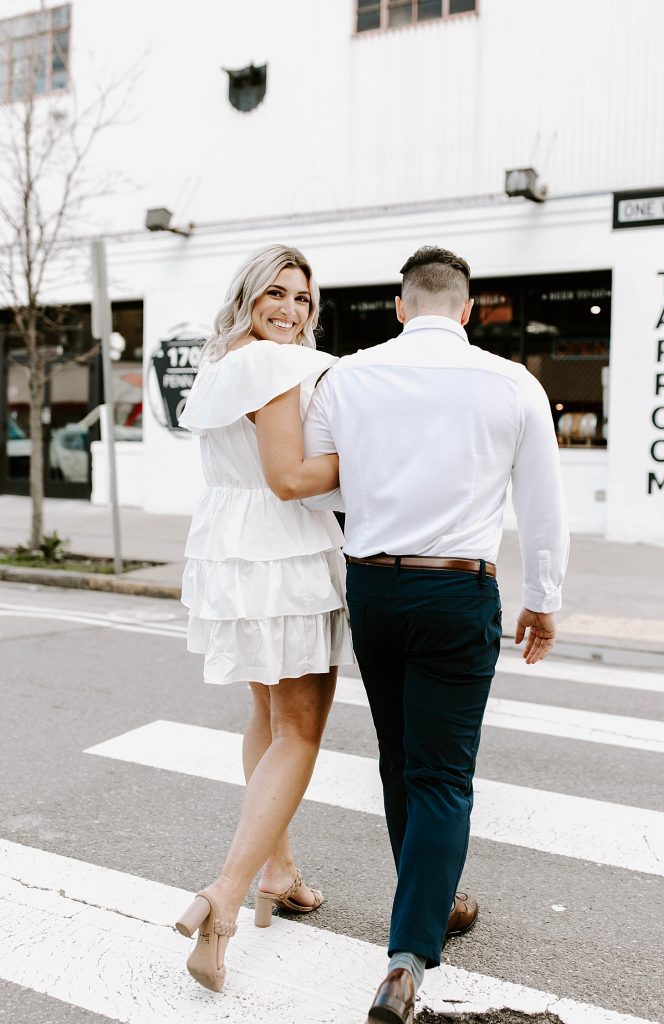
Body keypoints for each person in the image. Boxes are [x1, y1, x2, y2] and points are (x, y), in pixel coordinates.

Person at [300, 246, 569, 1024]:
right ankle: (406, 957)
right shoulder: (513, 382)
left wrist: (386, 491)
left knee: (400, 758)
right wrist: (542, 599)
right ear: (466, 309)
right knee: (443, 775)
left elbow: (324, 489)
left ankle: (435, 901)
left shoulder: (345, 376)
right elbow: (541, 503)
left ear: (397, 306)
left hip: (376, 585)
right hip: (458, 587)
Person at [174, 244, 353, 993]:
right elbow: (288, 479)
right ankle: (225, 893)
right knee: (301, 730)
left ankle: (280, 872)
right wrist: (376, 456)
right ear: (248, 295)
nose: (288, 309)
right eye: (274, 294)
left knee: (268, 718)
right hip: (287, 558)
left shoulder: (219, 367)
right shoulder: (281, 366)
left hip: (232, 557)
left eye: (302, 300)